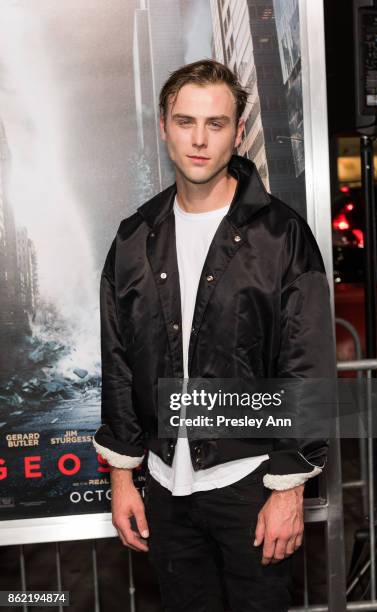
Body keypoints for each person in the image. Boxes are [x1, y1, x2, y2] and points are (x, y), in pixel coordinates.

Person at [92, 59, 336, 612]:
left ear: (238, 131)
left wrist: (289, 486)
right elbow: (119, 361)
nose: (199, 140)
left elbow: (308, 367)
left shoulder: (281, 235)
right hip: (165, 493)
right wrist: (124, 478)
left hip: (251, 485)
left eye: (216, 123)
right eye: (185, 122)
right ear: (163, 127)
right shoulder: (133, 238)